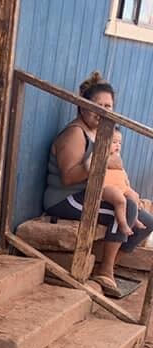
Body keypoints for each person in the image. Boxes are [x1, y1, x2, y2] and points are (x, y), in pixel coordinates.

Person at [43, 71, 153, 299]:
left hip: (89, 193)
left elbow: (116, 161)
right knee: (127, 209)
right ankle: (105, 271)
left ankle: (105, 267)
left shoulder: (101, 132)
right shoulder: (76, 133)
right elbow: (69, 178)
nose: (102, 111)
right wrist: (98, 162)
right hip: (65, 198)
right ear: (83, 105)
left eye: (108, 106)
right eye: (96, 105)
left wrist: (106, 161)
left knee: (149, 221)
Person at [103, 128, 146, 235]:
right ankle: (123, 224)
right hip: (107, 187)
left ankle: (134, 219)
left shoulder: (118, 158)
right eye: (114, 142)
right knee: (120, 200)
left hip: (121, 186)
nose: (118, 145)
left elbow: (123, 173)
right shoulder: (101, 156)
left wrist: (128, 185)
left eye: (120, 143)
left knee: (135, 195)